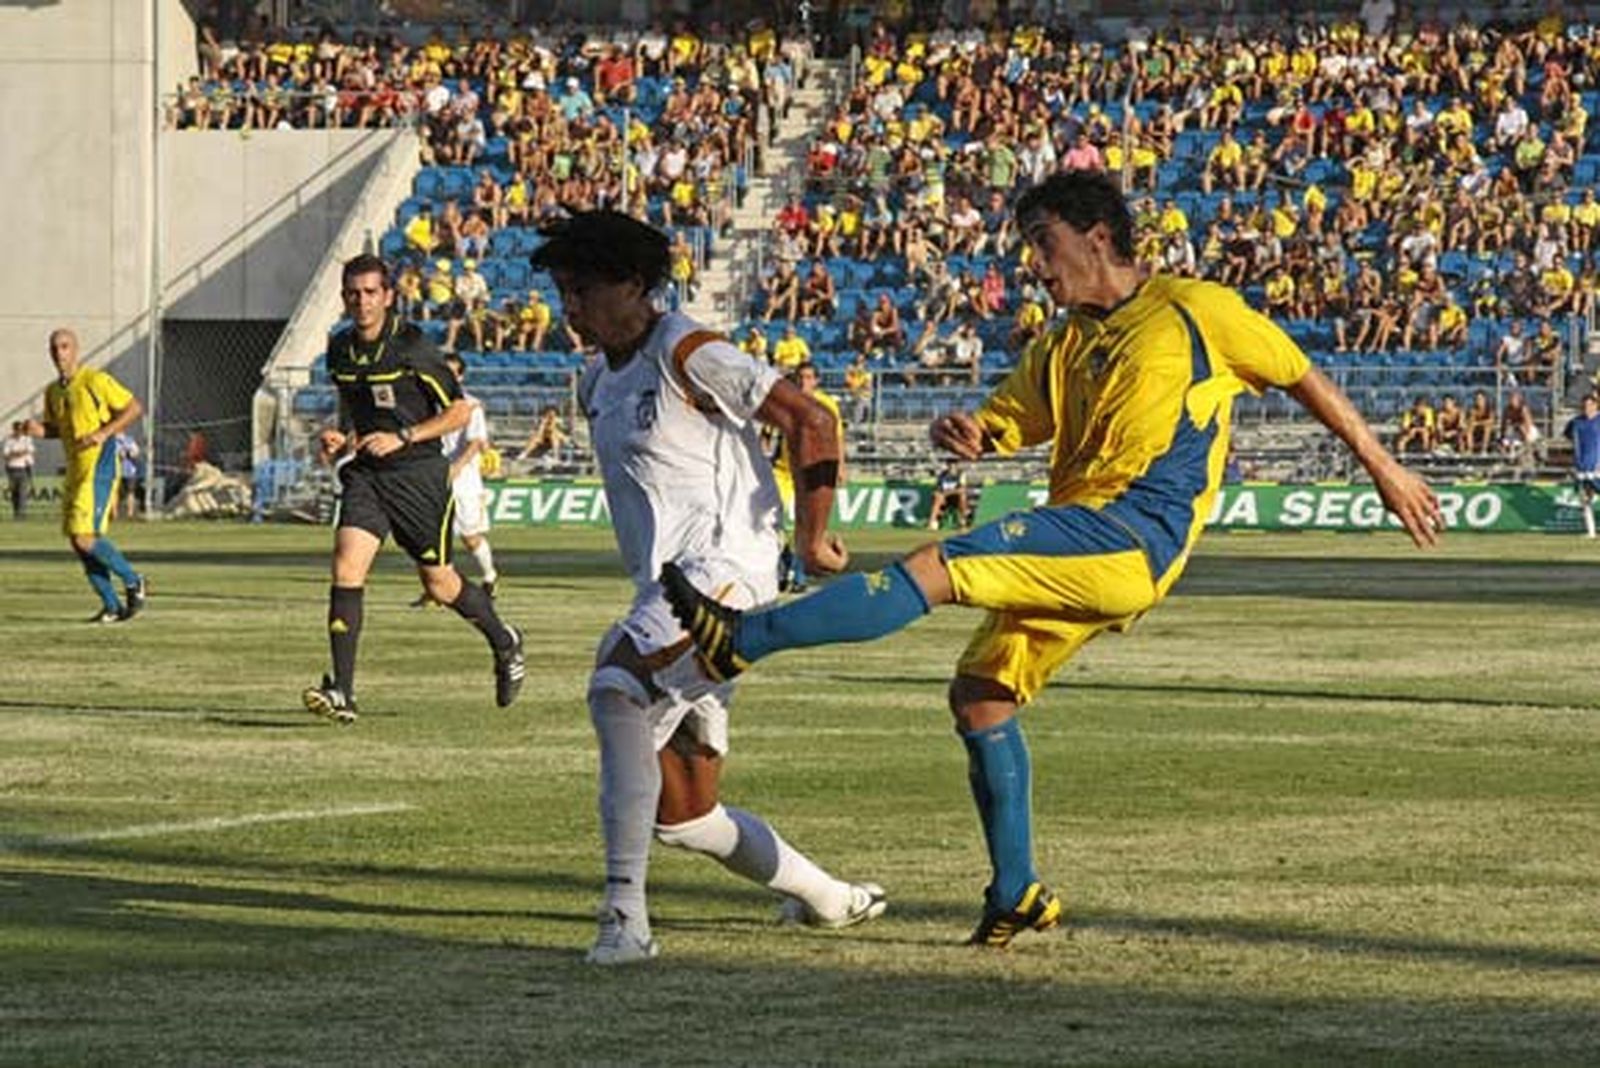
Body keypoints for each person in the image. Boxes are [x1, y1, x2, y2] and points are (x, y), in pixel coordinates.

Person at [661, 171, 1440, 948]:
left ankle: (742, 640)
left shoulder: (1195, 309)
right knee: (980, 697)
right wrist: (972, 434)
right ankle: (1018, 892)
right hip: (1081, 534)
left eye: (1044, 243)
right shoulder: (1064, 341)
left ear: (1096, 237)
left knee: (936, 567)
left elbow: (1300, 374)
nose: (1034, 264)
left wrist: (1383, 465)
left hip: (1134, 530)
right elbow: (1009, 421)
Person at [530, 211, 884, 966]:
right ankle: (829, 897)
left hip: (726, 572)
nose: (572, 308)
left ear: (634, 284)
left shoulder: (688, 349)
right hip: (668, 585)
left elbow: (811, 421)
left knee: (616, 684)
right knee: (685, 812)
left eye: (583, 289)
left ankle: (624, 918)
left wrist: (814, 535)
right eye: (563, 291)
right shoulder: (597, 378)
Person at [305, 254, 524, 723]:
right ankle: (342, 690)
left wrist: (403, 437)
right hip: (367, 474)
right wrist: (341, 436)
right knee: (346, 566)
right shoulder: (339, 350)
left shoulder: (411, 346)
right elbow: (357, 411)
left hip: (418, 475)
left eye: (369, 292)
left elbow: (459, 412)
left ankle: (504, 641)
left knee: (440, 583)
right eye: (352, 293)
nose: (360, 301)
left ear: (387, 296)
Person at [21, 330, 148, 622]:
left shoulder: (95, 381)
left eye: (65, 347)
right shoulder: (53, 392)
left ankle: (133, 579)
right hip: (76, 470)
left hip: (99, 466)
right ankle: (112, 607)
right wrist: (37, 430)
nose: (59, 353)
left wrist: (103, 433)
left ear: (76, 350)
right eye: (54, 348)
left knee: (83, 537)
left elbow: (133, 408)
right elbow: (57, 429)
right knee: (78, 540)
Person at [413, 354, 498, 604]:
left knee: (470, 537)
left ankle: (489, 576)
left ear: (460, 376)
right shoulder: (427, 403)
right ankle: (435, 589)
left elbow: (475, 443)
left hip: (463, 480)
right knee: (428, 536)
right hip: (431, 477)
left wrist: (457, 467)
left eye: (452, 373)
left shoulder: (471, 405)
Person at [1565, 393, 1600, 538]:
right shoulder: (1576, 422)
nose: (1587, 409)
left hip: (1597, 465)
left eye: (1590, 405)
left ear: (1596, 405)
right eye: (1584, 406)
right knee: (1585, 499)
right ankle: (1591, 532)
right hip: (1581, 466)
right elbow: (1568, 436)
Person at [927, 457, 973, 531]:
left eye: (954, 464)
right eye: (950, 464)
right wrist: (937, 493)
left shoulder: (961, 474)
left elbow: (962, 489)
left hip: (955, 499)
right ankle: (931, 522)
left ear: (956, 465)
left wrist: (946, 494)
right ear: (947, 465)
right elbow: (937, 488)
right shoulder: (942, 475)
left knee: (962, 496)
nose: (952, 466)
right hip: (944, 499)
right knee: (937, 498)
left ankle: (963, 522)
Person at [4, 420, 34, 520]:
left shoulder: (27, 439)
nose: (20, 431)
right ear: (14, 429)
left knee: (22, 493)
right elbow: (6, 455)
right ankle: (16, 513)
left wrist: (15, 454)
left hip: (24, 469)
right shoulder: (9, 440)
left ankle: (21, 515)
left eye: (21, 429)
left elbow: (30, 451)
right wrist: (21, 453)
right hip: (11, 469)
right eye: (18, 429)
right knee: (14, 493)